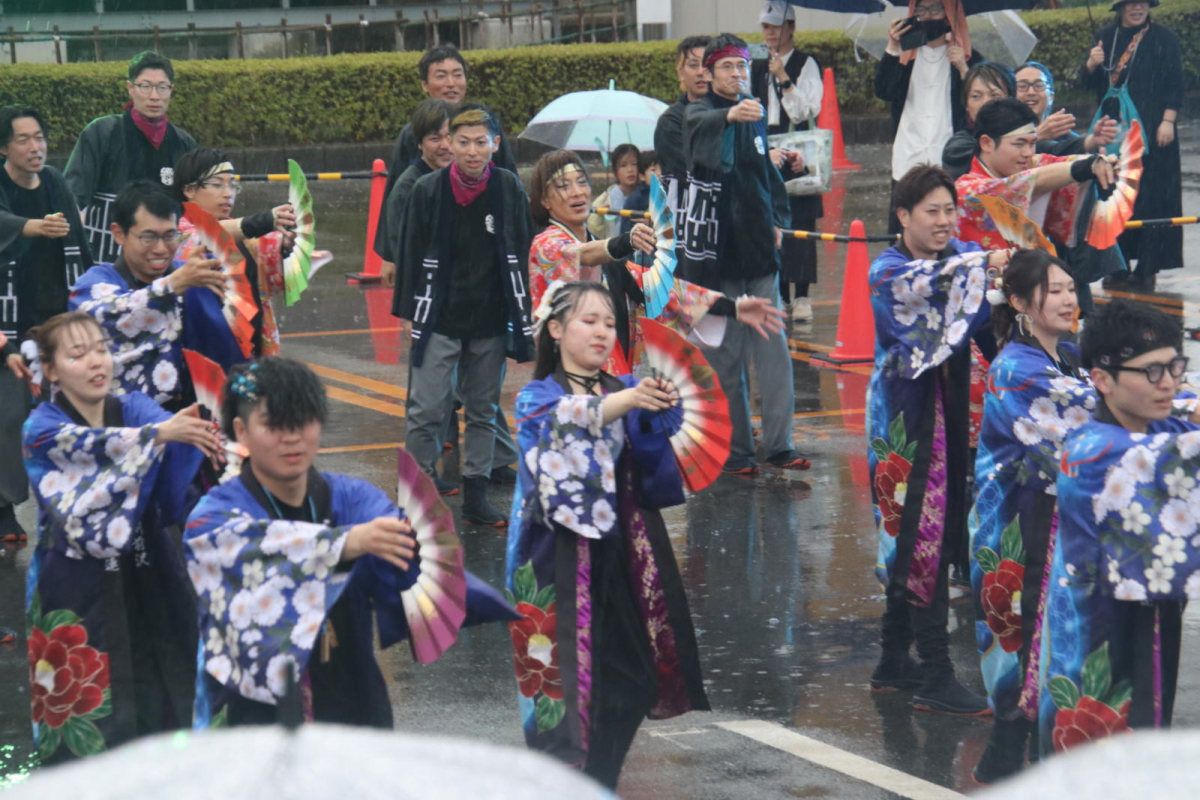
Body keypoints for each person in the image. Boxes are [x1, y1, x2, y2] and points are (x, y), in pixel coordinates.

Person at [505, 281, 709, 789]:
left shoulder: (620, 387)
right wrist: (627, 401)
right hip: (557, 560)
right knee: (569, 697)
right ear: (555, 330)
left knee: (637, 682)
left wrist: (657, 410)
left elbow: (648, 457)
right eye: (588, 321)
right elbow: (563, 421)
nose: (602, 331)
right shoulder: (538, 397)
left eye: (609, 323)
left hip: (617, 558)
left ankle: (598, 785)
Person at [22, 311, 218, 763]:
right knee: (85, 701)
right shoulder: (42, 429)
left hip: (149, 561)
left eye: (101, 349)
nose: (96, 362)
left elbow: (170, 439)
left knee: (168, 673)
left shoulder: (131, 407)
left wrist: (196, 432)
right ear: (51, 369)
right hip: (71, 577)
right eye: (77, 354)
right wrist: (159, 435)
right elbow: (93, 446)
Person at [867, 164, 1009, 715]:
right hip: (906, 422)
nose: (945, 220)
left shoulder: (956, 262)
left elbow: (976, 323)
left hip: (944, 414)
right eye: (932, 210)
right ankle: (935, 671)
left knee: (923, 532)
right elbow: (934, 294)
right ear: (903, 216)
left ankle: (891, 659)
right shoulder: (890, 271)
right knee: (920, 533)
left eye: (951, 210)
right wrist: (981, 264)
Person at [1040, 298, 1200, 757]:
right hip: (1098, 638)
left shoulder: (1153, 426)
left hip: (1143, 626)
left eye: (1174, 367)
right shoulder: (1093, 448)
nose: (1167, 382)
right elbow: (1172, 459)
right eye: (1152, 371)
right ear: (1103, 380)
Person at [968, 251, 1094, 782]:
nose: (1069, 299)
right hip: (1016, 526)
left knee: (1049, 646)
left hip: (1049, 522)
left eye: (1071, 288)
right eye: (1055, 289)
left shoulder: (1066, 355)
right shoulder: (1016, 368)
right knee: (1021, 643)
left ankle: (1011, 757)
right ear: (1019, 302)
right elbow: (1095, 408)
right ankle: (1008, 752)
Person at [395, 106, 534, 527]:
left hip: (490, 316)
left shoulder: (508, 187)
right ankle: (415, 493)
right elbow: (410, 253)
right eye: (463, 142)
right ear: (449, 145)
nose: (472, 152)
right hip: (439, 313)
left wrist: (522, 312)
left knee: (482, 408)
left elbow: (523, 248)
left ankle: (475, 495)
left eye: (481, 142)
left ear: (495, 145)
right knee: (426, 407)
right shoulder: (428, 189)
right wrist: (407, 313)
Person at [527, 150, 783, 376]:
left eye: (581, 182)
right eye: (562, 186)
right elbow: (580, 253)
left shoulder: (608, 258)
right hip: (571, 377)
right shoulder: (546, 246)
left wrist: (732, 308)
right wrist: (623, 242)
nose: (576, 191)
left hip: (612, 370)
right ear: (544, 200)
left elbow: (664, 291)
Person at [682, 33, 809, 474]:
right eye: (727, 68)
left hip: (758, 249)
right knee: (728, 356)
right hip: (717, 256)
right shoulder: (698, 113)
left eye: (742, 67)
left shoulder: (753, 111)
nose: (737, 75)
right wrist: (730, 118)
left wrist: (779, 219)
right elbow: (704, 152)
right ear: (709, 73)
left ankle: (780, 445)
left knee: (774, 350)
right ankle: (736, 452)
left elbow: (765, 176)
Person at [0, 105, 93, 542]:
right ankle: (3, 507)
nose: (35, 147)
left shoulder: (55, 182)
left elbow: (81, 245)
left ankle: (66, 505)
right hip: (9, 322)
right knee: (10, 415)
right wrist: (32, 227)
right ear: (4, 147)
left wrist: (94, 299)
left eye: (39, 137)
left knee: (66, 415)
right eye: (23, 139)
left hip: (56, 320)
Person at [69, 182, 225, 407]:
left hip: (196, 415)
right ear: (119, 233)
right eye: (148, 237)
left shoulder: (194, 278)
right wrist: (173, 284)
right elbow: (110, 312)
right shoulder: (93, 284)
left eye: (170, 236)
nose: (161, 249)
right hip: (124, 424)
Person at [955, 98, 1118, 311]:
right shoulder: (966, 189)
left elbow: (1062, 165)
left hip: (1033, 291)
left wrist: (1105, 164)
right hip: (980, 301)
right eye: (1019, 144)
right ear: (986, 143)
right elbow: (1028, 182)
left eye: (1032, 143)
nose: (1028, 153)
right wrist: (1086, 167)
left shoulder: (1028, 165)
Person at [1080, 0, 1183, 290]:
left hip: (1153, 130)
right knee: (1115, 195)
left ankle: (1149, 265)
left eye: (1142, 3)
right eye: (1131, 4)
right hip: (1115, 133)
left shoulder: (1164, 37)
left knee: (1153, 197)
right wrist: (1092, 63)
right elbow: (1087, 82)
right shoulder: (1105, 37)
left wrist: (1168, 120)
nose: (1137, 9)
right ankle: (1117, 263)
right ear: (1121, 8)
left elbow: (1176, 82)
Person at [378, 44, 518, 246]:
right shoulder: (413, 133)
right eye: (441, 76)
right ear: (425, 85)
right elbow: (396, 194)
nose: (451, 83)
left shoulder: (485, 126)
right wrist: (388, 255)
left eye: (457, 75)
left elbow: (509, 176)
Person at [65, 51, 197, 264]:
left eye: (162, 87)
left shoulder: (183, 142)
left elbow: (194, 203)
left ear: (171, 91)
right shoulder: (102, 132)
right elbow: (74, 193)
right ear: (130, 88)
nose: (154, 96)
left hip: (163, 254)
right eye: (145, 86)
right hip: (107, 250)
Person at [173, 148, 297, 368]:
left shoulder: (245, 236)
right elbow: (206, 236)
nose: (228, 193)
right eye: (218, 184)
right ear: (189, 190)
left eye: (232, 185)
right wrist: (261, 221)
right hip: (203, 349)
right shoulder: (175, 232)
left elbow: (272, 277)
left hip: (249, 346)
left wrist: (287, 243)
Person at [875, 0, 981, 233]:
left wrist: (964, 69)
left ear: (949, 14)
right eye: (921, 9)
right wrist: (893, 47)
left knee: (949, 232)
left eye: (936, 9)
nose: (928, 16)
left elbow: (983, 105)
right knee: (905, 232)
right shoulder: (905, 58)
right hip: (908, 156)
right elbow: (884, 91)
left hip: (951, 159)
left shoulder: (968, 59)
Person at [752, 0, 824, 323]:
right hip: (767, 147)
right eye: (765, 27)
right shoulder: (755, 63)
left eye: (776, 26)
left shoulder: (807, 63)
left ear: (791, 28)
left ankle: (803, 295)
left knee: (803, 219)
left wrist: (783, 78)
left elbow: (807, 111)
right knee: (772, 220)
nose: (769, 33)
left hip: (797, 147)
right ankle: (778, 293)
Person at [377, 98, 454, 287]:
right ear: (419, 144)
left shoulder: (469, 179)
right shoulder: (407, 190)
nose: (445, 145)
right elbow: (406, 255)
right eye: (435, 139)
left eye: (450, 136)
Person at [654, 35, 711, 218]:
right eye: (693, 65)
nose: (701, 72)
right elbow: (694, 173)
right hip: (689, 224)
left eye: (707, 64)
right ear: (680, 72)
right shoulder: (671, 122)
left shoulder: (734, 113)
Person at [941, 62, 1014, 180]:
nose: (985, 103)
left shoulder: (1034, 139)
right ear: (966, 106)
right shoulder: (958, 148)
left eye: (995, 95)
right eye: (976, 96)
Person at [587, 143, 640, 241]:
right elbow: (592, 228)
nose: (630, 170)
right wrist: (598, 215)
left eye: (634, 164)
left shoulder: (647, 196)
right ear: (615, 170)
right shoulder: (607, 198)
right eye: (623, 165)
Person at [617, 150, 659, 236]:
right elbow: (625, 233)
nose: (659, 173)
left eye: (662, 168)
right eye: (653, 170)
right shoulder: (635, 199)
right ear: (642, 176)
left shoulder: (669, 194)